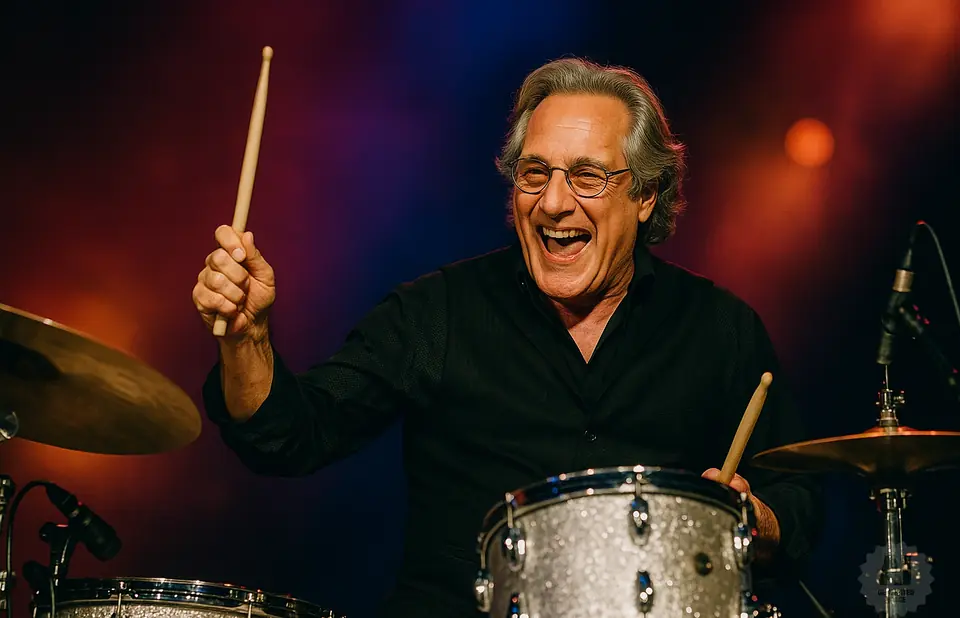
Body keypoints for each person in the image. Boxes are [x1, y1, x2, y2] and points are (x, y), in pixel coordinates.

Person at [192, 57, 823, 617]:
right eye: (534, 173)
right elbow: (288, 439)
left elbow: (802, 501)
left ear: (647, 196)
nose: (552, 203)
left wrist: (755, 520)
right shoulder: (434, 313)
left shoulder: (718, 328)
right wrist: (246, 339)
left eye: (587, 177)